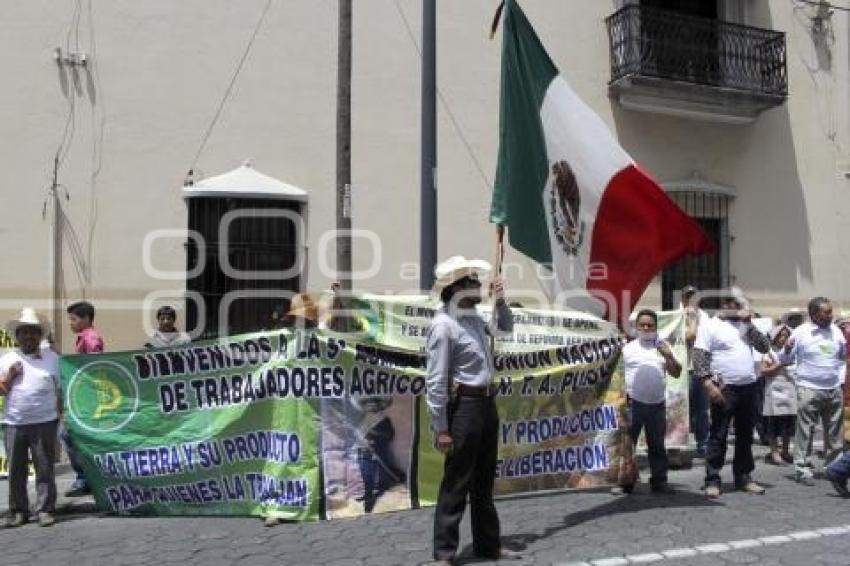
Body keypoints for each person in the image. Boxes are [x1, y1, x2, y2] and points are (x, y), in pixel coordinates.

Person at [425, 256, 517, 564]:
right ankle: (444, 553)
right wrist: (440, 427)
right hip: (465, 406)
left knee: (484, 480)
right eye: (473, 281)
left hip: (486, 403)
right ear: (457, 289)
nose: (480, 285)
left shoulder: (475, 318)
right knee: (457, 480)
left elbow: (504, 332)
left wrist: (501, 302)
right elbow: (436, 381)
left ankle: (488, 545)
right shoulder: (443, 326)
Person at [693, 289, 770, 498]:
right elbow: (700, 357)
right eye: (729, 303)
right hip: (724, 389)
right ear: (722, 305)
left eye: (737, 303)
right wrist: (709, 386)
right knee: (718, 434)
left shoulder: (746, 326)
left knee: (745, 435)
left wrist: (749, 324)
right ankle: (712, 479)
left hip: (749, 387)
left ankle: (743, 477)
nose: (733, 307)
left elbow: (764, 347)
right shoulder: (710, 325)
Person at [0, 308, 61, 527]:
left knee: (45, 468)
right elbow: (1, 390)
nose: (29, 336)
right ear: (17, 336)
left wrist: (63, 416)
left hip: (45, 421)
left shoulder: (52, 358)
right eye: (24, 332)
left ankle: (45, 510)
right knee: (16, 471)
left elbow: (61, 388)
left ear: (39, 336)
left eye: (33, 332)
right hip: (14, 422)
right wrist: (10, 376)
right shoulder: (7, 359)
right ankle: (18, 511)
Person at [613, 309, 682, 495]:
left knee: (657, 446)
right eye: (642, 325)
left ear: (655, 327)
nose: (646, 328)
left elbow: (676, 372)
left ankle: (659, 481)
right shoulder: (627, 349)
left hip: (657, 405)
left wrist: (668, 355)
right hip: (632, 404)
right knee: (628, 445)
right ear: (636, 327)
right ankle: (625, 483)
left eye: (650, 325)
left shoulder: (663, 347)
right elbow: (616, 376)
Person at [779, 297, 847, 485]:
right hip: (809, 388)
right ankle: (802, 467)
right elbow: (784, 360)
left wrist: (840, 380)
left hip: (833, 388)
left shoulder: (836, 332)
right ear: (814, 314)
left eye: (831, 312)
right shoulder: (800, 332)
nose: (830, 316)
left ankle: (832, 467)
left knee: (834, 432)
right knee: (805, 430)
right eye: (826, 313)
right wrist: (786, 350)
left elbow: (842, 358)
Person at [64, 300, 105, 497]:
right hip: (84, 396)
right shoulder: (84, 338)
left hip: (88, 398)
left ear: (86, 319)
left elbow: (94, 365)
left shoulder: (91, 339)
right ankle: (87, 477)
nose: (70, 323)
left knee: (70, 435)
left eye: (73, 319)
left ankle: (85, 478)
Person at [760, 325, 797, 465]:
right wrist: (780, 364)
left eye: (787, 335)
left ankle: (785, 451)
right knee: (773, 424)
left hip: (790, 389)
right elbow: (763, 371)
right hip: (774, 390)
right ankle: (774, 452)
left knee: (788, 423)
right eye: (781, 335)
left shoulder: (793, 353)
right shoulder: (769, 353)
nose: (784, 338)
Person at [682, 285, 710, 458]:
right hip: (684, 369)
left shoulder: (706, 317)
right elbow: (688, 337)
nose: (691, 299)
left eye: (694, 296)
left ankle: (703, 444)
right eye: (688, 296)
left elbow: (707, 339)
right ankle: (678, 446)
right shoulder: (676, 316)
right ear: (683, 298)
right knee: (682, 411)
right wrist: (692, 322)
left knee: (702, 410)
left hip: (702, 369)